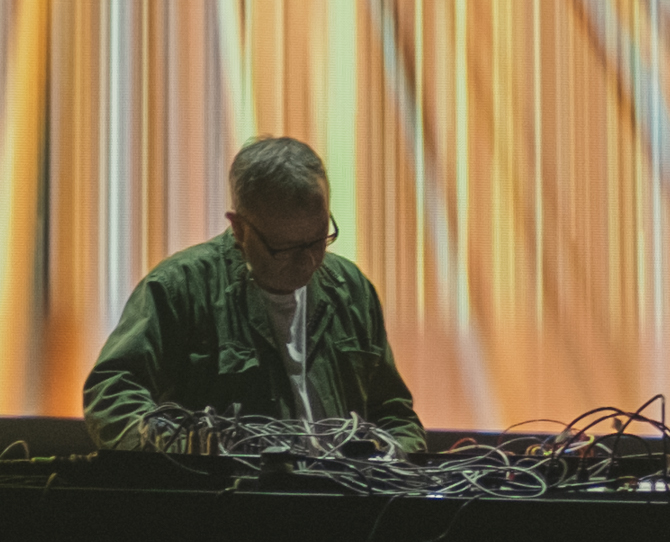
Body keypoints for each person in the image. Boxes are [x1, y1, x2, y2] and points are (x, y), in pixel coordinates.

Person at [83, 135, 425, 453]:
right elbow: (111, 395)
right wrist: (185, 453)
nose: (308, 261)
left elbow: (394, 415)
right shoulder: (180, 288)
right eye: (285, 249)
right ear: (239, 229)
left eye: (319, 239)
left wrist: (397, 457)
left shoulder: (351, 288)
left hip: (346, 493)